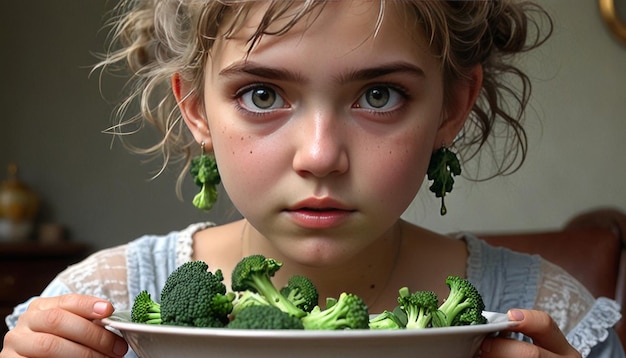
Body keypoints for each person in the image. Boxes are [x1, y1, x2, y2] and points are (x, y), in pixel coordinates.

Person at [1, 1, 622, 357]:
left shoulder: (550, 317)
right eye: (263, 94)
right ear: (195, 109)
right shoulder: (96, 307)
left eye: (379, 94)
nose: (320, 156)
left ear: (452, 106)